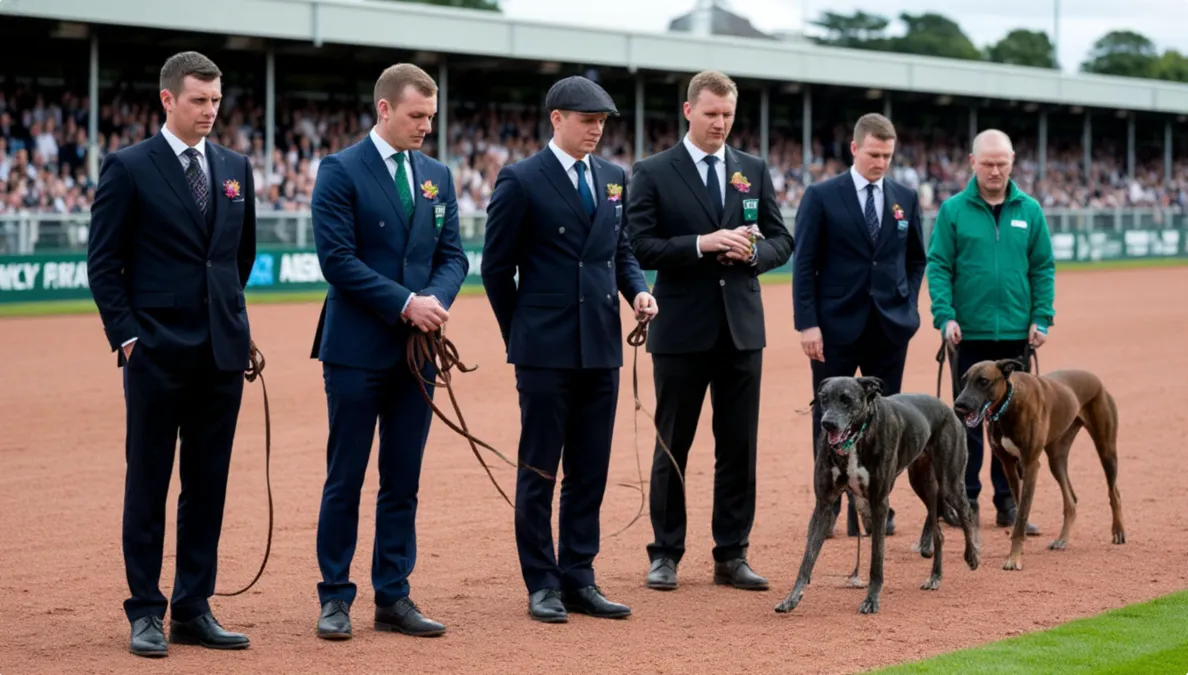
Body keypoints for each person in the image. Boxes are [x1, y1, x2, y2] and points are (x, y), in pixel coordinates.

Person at [87, 51, 256, 658]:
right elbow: (103, 265)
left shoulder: (236, 167)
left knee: (207, 486)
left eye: (215, 101)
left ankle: (192, 607)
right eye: (198, 101)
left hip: (221, 354)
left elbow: (238, 259)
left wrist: (228, 323)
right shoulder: (128, 166)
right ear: (168, 100)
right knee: (149, 483)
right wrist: (130, 339)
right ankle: (145, 610)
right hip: (155, 354)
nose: (210, 111)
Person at [481, 75, 657, 623]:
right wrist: (521, 336)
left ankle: (579, 576)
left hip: (602, 346)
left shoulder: (612, 177)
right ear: (556, 119)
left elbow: (620, 248)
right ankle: (542, 582)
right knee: (539, 470)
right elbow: (494, 269)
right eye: (587, 120)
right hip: (544, 350)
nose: (596, 131)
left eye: (602, 122)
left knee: (590, 470)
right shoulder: (520, 179)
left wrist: (639, 290)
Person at [309, 63, 468, 640]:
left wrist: (435, 300)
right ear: (384, 109)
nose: (426, 125)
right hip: (355, 349)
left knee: (403, 480)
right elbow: (337, 260)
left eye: (431, 116)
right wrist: (406, 303)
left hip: (417, 354)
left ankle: (393, 595)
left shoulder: (436, 175)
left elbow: (454, 255)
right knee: (345, 477)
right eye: (416, 115)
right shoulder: (340, 170)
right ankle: (334, 597)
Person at [627, 70, 793, 592]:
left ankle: (732, 554)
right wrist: (702, 243)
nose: (720, 123)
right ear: (688, 111)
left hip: (742, 329)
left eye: (727, 115)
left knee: (739, 447)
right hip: (681, 329)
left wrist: (755, 253)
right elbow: (639, 244)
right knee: (673, 443)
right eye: (711, 114)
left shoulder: (753, 169)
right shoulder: (652, 171)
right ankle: (665, 553)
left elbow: (782, 239)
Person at [791, 112, 926, 539]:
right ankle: (827, 505)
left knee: (883, 420)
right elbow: (805, 264)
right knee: (830, 420)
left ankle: (872, 508)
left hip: (889, 328)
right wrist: (808, 324)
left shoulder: (905, 196)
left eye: (887, 154)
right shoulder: (821, 195)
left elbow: (916, 258)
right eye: (873, 153)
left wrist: (906, 299)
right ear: (854, 148)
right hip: (833, 330)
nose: (881, 162)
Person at [926, 128, 1054, 534]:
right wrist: (945, 316)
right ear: (972, 162)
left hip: (1016, 337)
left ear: (1012, 161)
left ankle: (1009, 503)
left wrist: (1042, 316)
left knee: (1014, 424)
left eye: (1002, 163)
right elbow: (939, 266)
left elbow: (1042, 268)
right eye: (987, 163)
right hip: (968, 334)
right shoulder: (953, 211)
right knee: (968, 422)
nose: (995, 170)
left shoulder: (1030, 210)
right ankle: (966, 500)